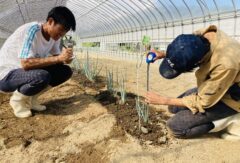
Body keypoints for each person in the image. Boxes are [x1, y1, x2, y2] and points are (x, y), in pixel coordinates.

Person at [145, 25, 240, 139]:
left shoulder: (225, 64)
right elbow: (185, 49)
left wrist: (163, 100)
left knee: (176, 127)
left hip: (231, 97)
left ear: (198, 62)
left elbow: (203, 101)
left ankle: (225, 120)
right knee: (173, 108)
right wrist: (166, 54)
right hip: (218, 85)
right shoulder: (200, 37)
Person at [0, 6, 76, 118]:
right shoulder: (33, 31)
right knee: (41, 76)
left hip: (24, 74)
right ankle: (17, 102)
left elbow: (57, 60)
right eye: (60, 31)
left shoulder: (54, 37)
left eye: (64, 33)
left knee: (64, 71)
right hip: (7, 75)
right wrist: (59, 58)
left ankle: (32, 100)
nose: (61, 35)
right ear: (50, 21)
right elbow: (26, 64)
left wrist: (66, 59)